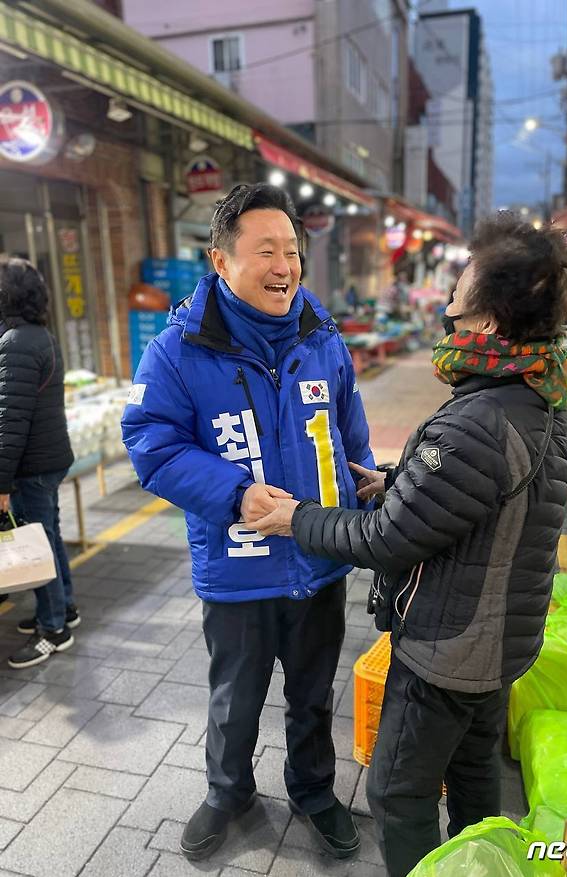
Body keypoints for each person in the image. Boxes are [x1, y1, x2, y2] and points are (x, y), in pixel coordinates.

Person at [246, 213, 567, 877]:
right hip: (499, 638)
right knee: (474, 769)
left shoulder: (479, 419)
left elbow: (385, 539)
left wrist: (297, 517)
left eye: (460, 287)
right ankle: (479, 861)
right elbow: (478, 500)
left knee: (397, 791)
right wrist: (398, 480)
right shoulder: (542, 388)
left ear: (487, 318)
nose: (447, 301)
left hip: (449, 648)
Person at [121, 183, 374, 862]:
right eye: (266, 250)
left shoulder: (322, 336)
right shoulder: (177, 350)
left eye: (291, 250)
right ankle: (228, 790)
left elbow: (352, 440)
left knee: (315, 694)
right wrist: (234, 494)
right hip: (238, 566)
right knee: (235, 695)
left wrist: (366, 501)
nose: (284, 266)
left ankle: (314, 790)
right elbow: (151, 441)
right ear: (221, 259)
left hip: (320, 558)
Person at [0, 256, 79, 670]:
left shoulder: (15, 343)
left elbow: (10, 422)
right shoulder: (38, 335)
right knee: (48, 536)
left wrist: (1, 484)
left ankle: (54, 630)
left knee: (38, 543)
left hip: (32, 466)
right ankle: (63, 609)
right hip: (48, 459)